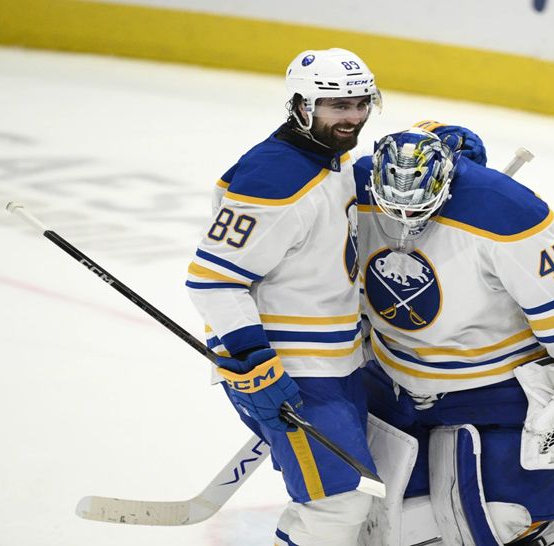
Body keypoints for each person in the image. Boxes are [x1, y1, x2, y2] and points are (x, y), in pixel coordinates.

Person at [353, 126, 554, 546]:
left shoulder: (502, 208)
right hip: (393, 388)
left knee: (507, 525)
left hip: (496, 393)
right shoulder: (354, 189)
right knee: (399, 528)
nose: (405, 220)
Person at [185, 48, 383, 546]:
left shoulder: (330, 160)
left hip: (336, 362)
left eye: (361, 104)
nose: (353, 117)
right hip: (291, 369)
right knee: (338, 503)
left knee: (331, 502)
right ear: (300, 104)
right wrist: (255, 364)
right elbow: (214, 280)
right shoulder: (274, 178)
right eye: (338, 106)